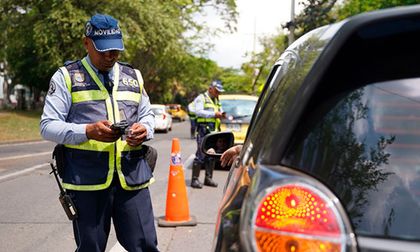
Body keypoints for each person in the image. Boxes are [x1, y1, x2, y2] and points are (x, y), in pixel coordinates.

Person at [40, 14, 158, 252]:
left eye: (115, 50)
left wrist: (145, 129)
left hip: (131, 178)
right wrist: (87, 131)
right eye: (102, 50)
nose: (109, 56)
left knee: (145, 244)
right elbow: (48, 125)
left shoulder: (133, 76)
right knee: (90, 247)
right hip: (87, 181)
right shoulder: (65, 76)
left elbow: (148, 116)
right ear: (86, 43)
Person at [191, 80, 226, 189]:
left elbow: (219, 110)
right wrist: (214, 114)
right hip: (203, 130)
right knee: (201, 154)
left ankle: (208, 179)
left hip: (214, 131)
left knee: (211, 155)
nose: (218, 93)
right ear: (210, 89)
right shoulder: (201, 98)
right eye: (217, 91)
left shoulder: (216, 99)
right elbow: (198, 111)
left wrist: (222, 114)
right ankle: (195, 180)